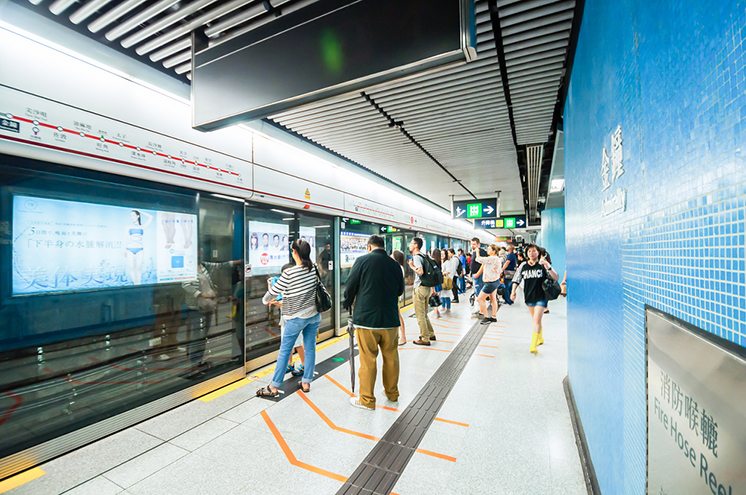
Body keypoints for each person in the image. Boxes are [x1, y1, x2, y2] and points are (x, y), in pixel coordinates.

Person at [343, 235, 405, 410]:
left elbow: (350, 286)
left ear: (369, 247)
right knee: (391, 357)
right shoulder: (394, 265)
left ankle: (367, 400)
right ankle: (392, 394)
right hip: (390, 320)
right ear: (383, 247)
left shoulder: (362, 261)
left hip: (366, 320)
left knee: (368, 359)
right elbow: (400, 290)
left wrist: (348, 302)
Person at [256, 239, 320, 396]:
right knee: (310, 347)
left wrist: (265, 300)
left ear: (295, 253)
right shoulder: (314, 269)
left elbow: (274, 291)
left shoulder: (289, 273)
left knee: (284, 351)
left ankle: (274, 387)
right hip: (313, 315)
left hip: (295, 318)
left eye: (292, 251)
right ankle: (306, 382)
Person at [182, 259, 241, 373]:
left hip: (207, 306)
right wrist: (200, 294)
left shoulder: (203, 265)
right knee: (197, 335)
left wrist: (236, 262)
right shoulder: (188, 268)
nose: (201, 252)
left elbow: (219, 265)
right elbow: (185, 285)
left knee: (203, 334)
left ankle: (199, 361)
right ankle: (194, 363)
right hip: (197, 307)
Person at [510, 244, 559, 354]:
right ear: (526, 254)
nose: (531, 253)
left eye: (534, 251)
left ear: (538, 253)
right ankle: (540, 338)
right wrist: (513, 292)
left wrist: (547, 264)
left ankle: (533, 345)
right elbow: (516, 279)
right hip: (529, 297)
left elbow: (556, 277)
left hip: (541, 297)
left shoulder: (543, 265)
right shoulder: (523, 265)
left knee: (536, 320)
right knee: (536, 320)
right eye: (529, 251)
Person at [270, 263, 305, 377]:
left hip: (296, 320)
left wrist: (280, 304)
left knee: (298, 343)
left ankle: (305, 365)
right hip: (285, 318)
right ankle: (289, 364)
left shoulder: (299, 287)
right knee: (286, 342)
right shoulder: (285, 286)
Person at [408, 237, 436, 346]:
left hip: (419, 288)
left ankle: (425, 338)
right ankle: (430, 333)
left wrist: (411, 266)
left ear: (415, 245)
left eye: (411, 243)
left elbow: (420, 271)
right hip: (426, 288)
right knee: (424, 314)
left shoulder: (416, 257)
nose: (410, 245)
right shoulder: (424, 255)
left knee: (420, 315)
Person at [474, 244, 503, 324]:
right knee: (493, 299)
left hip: (490, 283)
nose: (487, 250)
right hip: (495, 281)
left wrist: (477, 251)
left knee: (480, 299)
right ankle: (494, 317)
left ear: (493, 251)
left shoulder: (492, 258)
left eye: (489, 249)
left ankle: (486, 317)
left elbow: (478, 259)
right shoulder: (497, 259)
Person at [125, 209, 153, 285]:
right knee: (131, 268)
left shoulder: (142, 227)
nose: (132, 217)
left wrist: (140, 211)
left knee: (138, 268)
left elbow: (151, 217)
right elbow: (126, 238)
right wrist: (124, 251)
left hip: (140, 249)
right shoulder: (128, 227)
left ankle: (138, 284)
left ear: (138, 216)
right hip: (129, 249)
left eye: (133, 215)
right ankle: (135, 284)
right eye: (130, 216)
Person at [391, 250, 408, 345]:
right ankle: (398, 335)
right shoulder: (399, 267)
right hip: (396, 295)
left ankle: (403, 337)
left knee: (398, 315)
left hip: (395, 295)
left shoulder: (398, 268)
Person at [469, 237, 487, 316]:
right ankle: (479, 309)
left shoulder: (481, 252)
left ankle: (480, 310)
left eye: (474, 244)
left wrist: (477, 274)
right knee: (477, 292)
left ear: (478, 244)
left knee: (479, 292)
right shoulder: (474, 252)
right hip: (475, 275)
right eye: (471, 244)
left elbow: (483, 264)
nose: (472, 246)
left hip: (478, 275)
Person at [431, 248, 443, 318]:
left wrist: (432, 288)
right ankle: (437, 312)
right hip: (439, 283)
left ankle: (436, 313)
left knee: (434, 297)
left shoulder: (432, 262)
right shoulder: (439, 262)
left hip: (435, 283)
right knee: (437, 296)